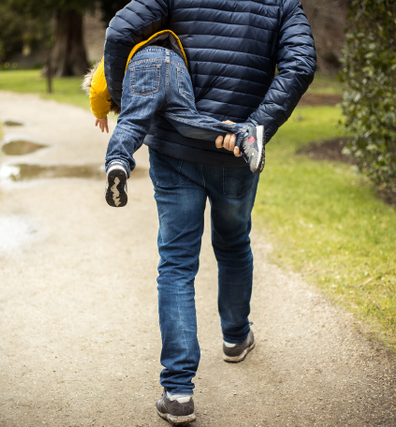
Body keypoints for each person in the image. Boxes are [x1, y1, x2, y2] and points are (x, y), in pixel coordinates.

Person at [103, 1, 316, 425]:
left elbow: (119, 30)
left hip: (175, 146)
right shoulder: (280, 2)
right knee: (234, 243)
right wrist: (253, 128)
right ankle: (236, 339)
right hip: (235, 151)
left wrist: (123, 94)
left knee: (177, 263)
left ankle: (178, 392)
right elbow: (301, 63)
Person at [84, 29, 265, 207]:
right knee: (189, 122)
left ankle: (118, 162)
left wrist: (100, 113)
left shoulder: (114, 56)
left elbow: (98, 88)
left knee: (132, 124)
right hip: (177, 64)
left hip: (143, 63)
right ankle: (244, 134)